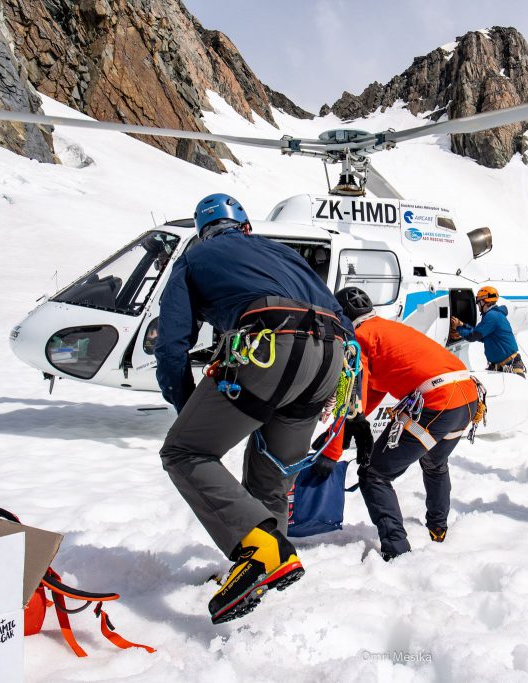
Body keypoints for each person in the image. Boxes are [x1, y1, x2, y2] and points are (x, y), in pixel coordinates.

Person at [155, 192, 351, 624]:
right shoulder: (283, 253)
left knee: (184, 453)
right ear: (246, 227)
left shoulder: (196, 258)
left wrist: (186, 406)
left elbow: (171, 345)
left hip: (269, 346)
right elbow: (343, 319)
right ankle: (270, 566)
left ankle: (261, 551)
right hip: (331, 357)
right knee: (274, 469)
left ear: (203, 231)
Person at [318, 287, 479, 560]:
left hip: (437, 400)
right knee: (434, 462)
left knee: (374, 475)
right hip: (468, 396)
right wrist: (346, 431)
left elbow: (351, 396)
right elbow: (372, 392)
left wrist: (331, 452)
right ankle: (438, 529)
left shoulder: (358, 338)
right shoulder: (387, 328)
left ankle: (398, 551)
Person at [451, 286, 528, 446]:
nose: (478, 306)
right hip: (501, 366)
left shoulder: (492, 317)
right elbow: (482, 335)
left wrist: (460, 327)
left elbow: (475, 336)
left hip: (509, 366)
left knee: (526, 399)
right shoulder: (494, 316)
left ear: (483, 302)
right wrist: (464, 326)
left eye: (479, 302)